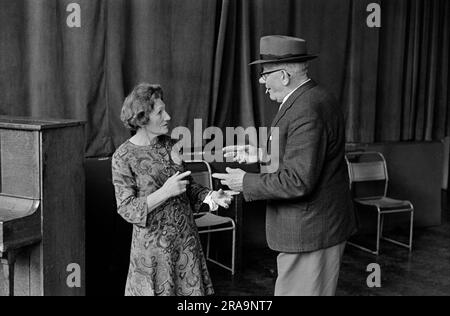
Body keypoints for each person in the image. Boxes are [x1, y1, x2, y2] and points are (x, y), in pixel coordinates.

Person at [213, 35, 356, 296]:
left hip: (310, 231)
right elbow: (307, 156)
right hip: (318, 228)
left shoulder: (306, 108)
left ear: (285, 75)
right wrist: (261, 154)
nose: (261, 80)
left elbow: (298, 180)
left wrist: (244, 182)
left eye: (265, 73)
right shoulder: (315, 97)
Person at [112, 83, 236, 296]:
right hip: (153, 254)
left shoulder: (170, 145)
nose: (168, 116)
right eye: (160, 112)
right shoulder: (123, 157)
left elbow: (187, 186)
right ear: (142, 117)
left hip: (186, 243)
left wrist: (211, 196)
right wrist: (165, 192)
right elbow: (127, 209)